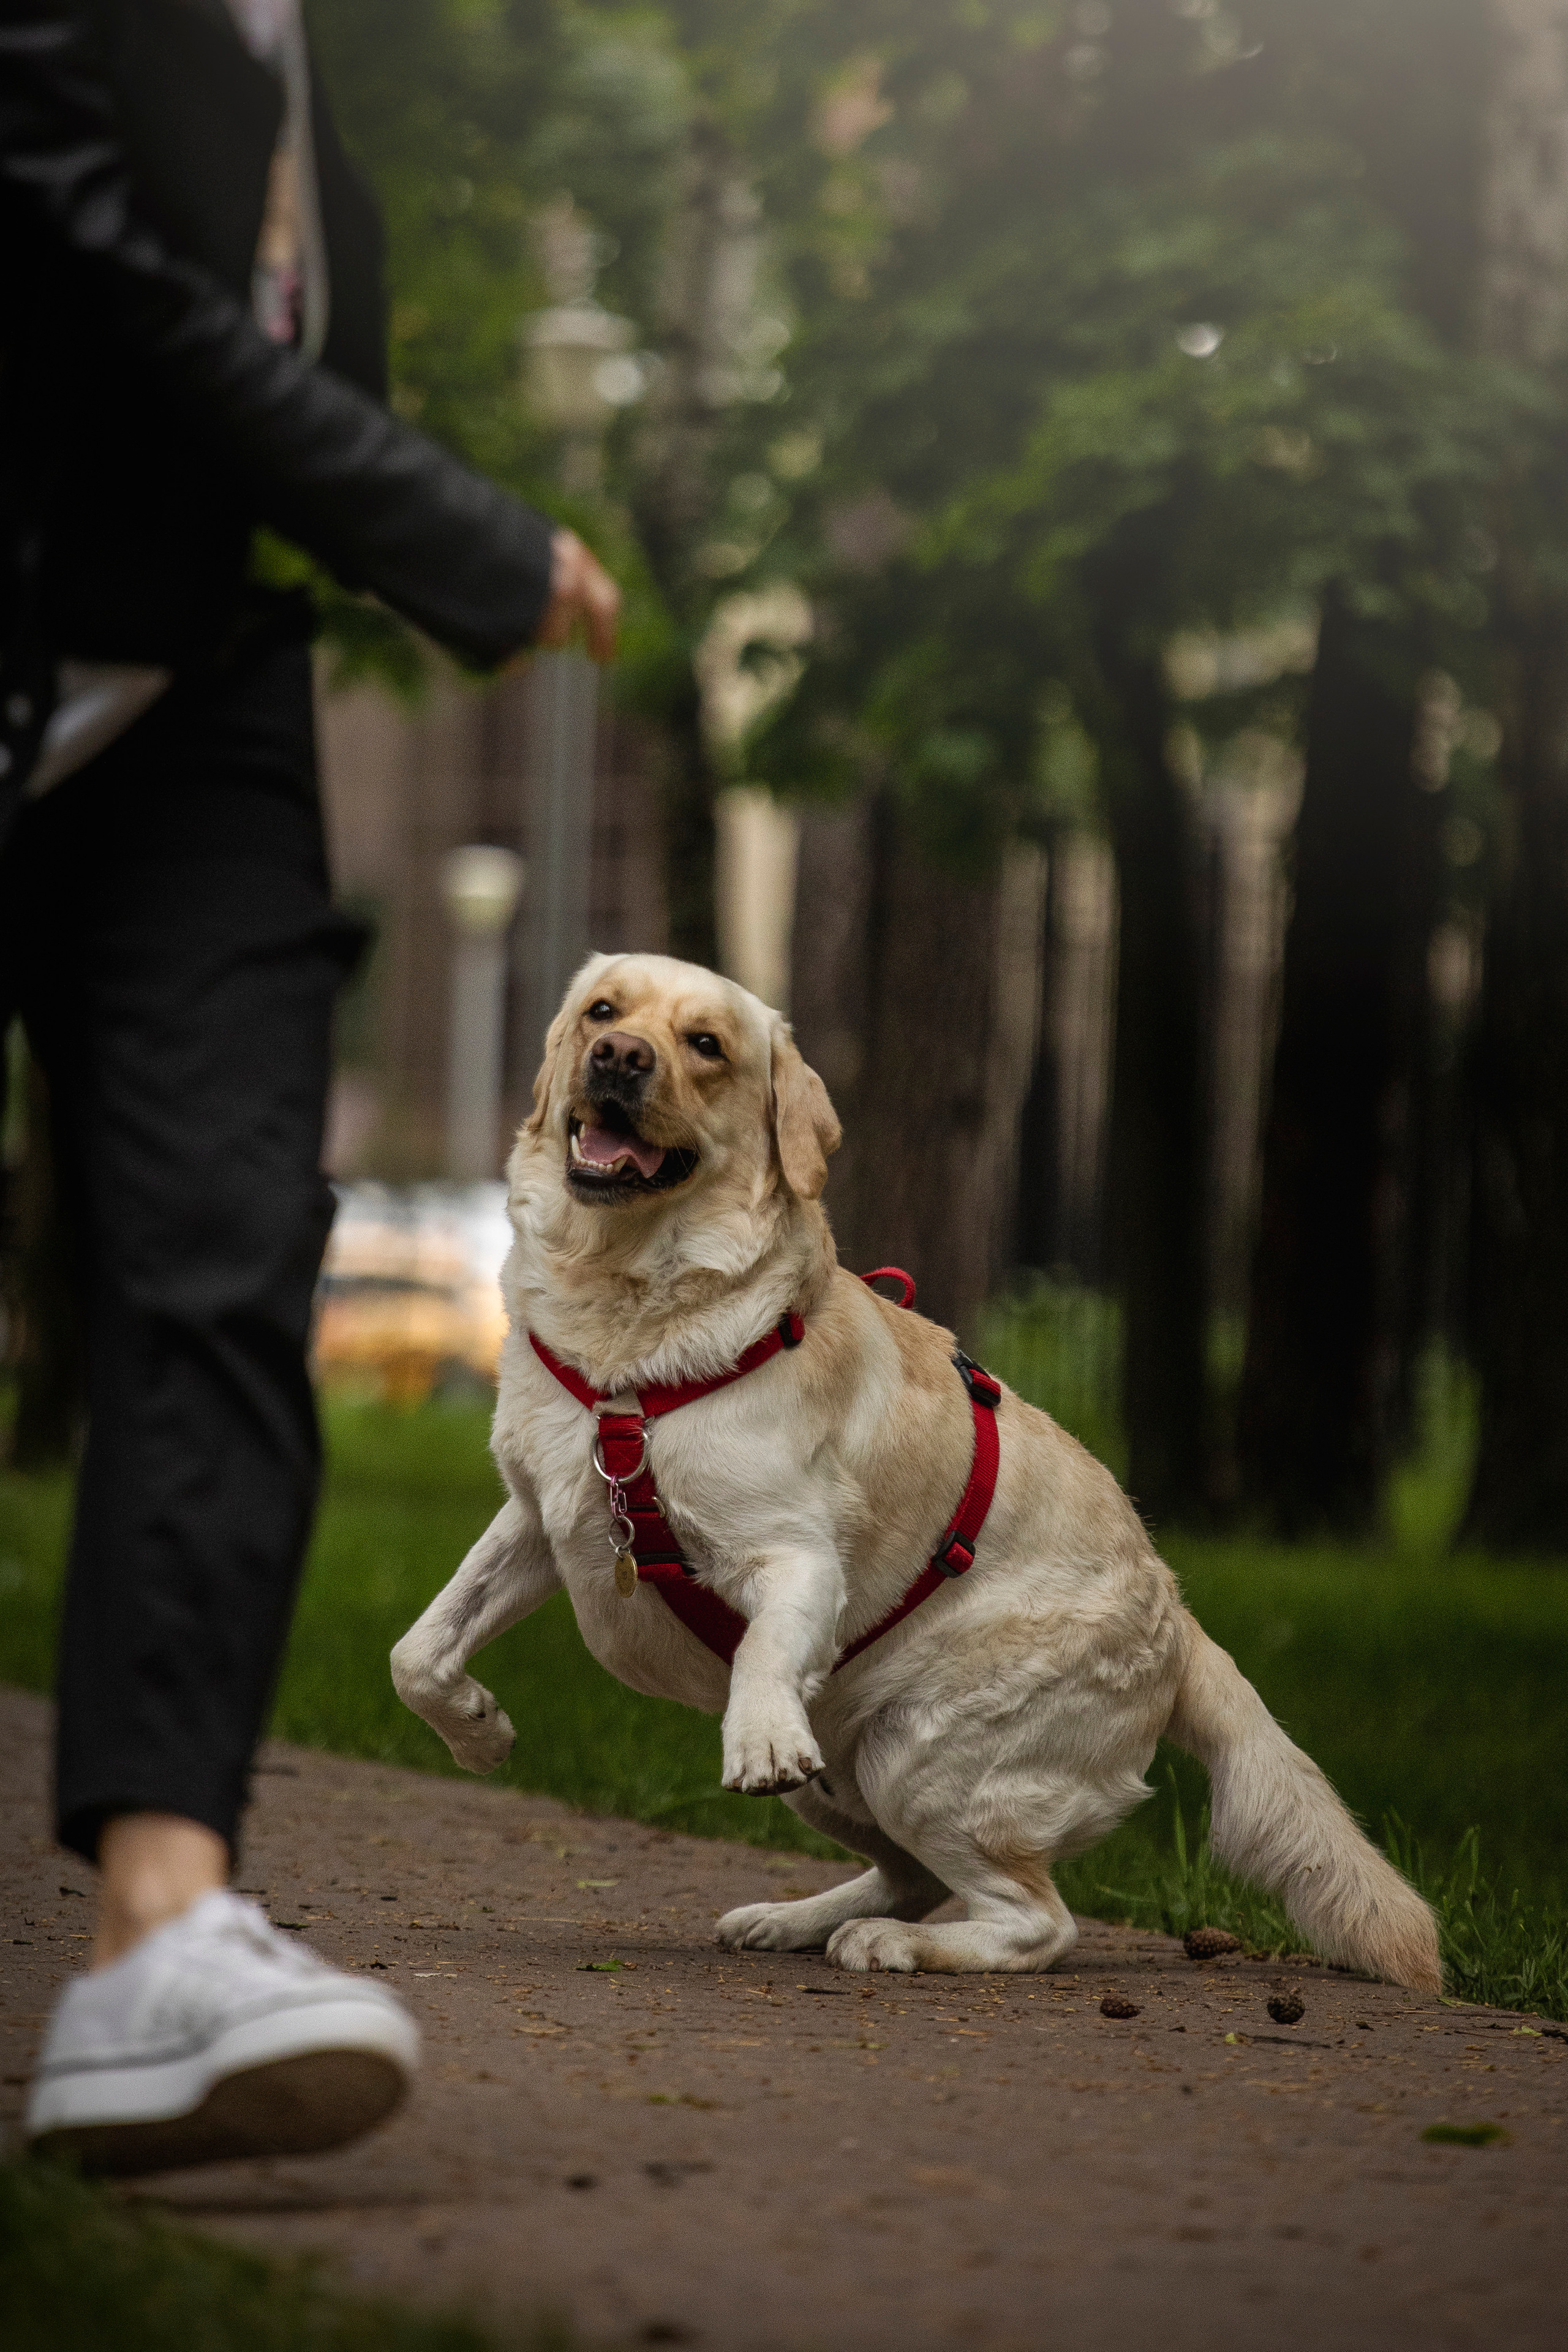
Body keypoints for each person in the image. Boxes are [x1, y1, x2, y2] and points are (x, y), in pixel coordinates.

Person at [1, 0, 619, 2176]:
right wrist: (456, 534)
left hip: (190, 695)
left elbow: (254, 307)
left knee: (225, 1245)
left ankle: (161, 1930)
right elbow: (95, 275)